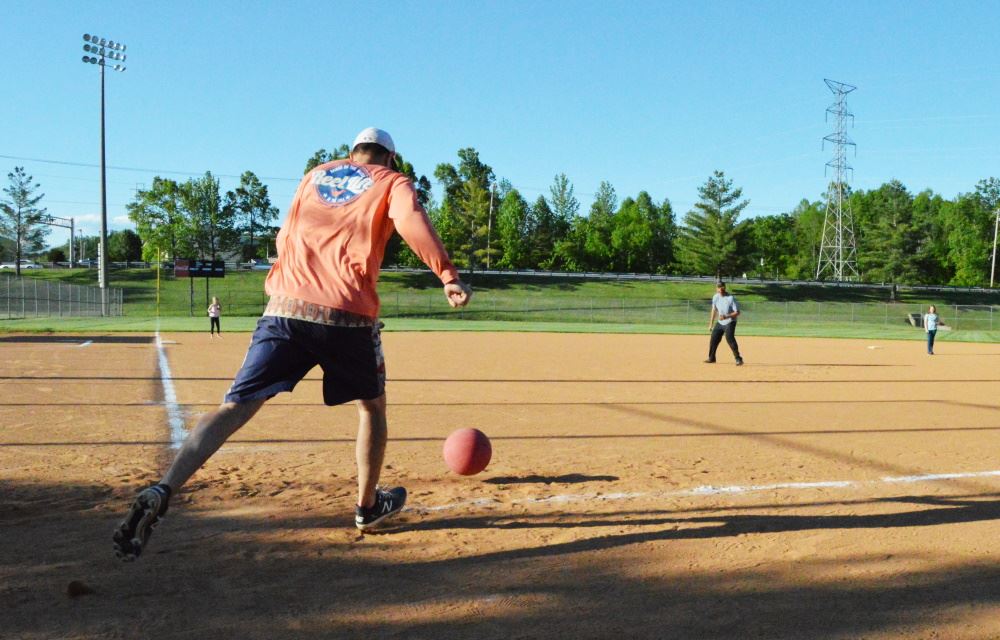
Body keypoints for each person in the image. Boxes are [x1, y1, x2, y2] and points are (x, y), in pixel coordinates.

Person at [114, 128, 472, 561]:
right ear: (390, 159)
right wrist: (447, 275)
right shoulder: (391, 182)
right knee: (371, 407)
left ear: (352, 154)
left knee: (234, 407)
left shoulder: (315, 175)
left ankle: (164, 486)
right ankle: (367, 506)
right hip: (346, 313)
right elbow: (411, 220)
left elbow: (285, 237)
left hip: (284, 308)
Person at [705, 280, 743, 366]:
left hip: (730, 321)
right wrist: (710, 324)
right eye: (719, 287)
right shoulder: (715, 297)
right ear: (716, 288)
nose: (720, 289)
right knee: (714, 339)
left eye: (722, 287)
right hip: (720, 322)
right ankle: (712, 358)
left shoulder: (730, 298)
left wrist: (726, 316)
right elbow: (714, 310)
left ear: (724, 287)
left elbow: (738, 312)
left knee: (730, 339)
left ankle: (738, 359)